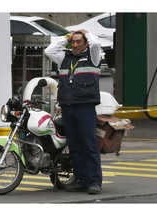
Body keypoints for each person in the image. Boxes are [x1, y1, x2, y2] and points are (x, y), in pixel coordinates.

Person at [44, 29, 103, 194]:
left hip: (85, 106)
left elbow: (96, 43)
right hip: (67, 106)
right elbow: (49, 51)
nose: (75, 45)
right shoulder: (64, 57)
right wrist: (66, 38)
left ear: (85, 43)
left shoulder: (93, 55)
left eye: (79, 41)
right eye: (74, 42)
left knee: (89, 145)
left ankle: (94, 182)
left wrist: (86, 32)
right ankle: (81, 180)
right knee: (74, 145)